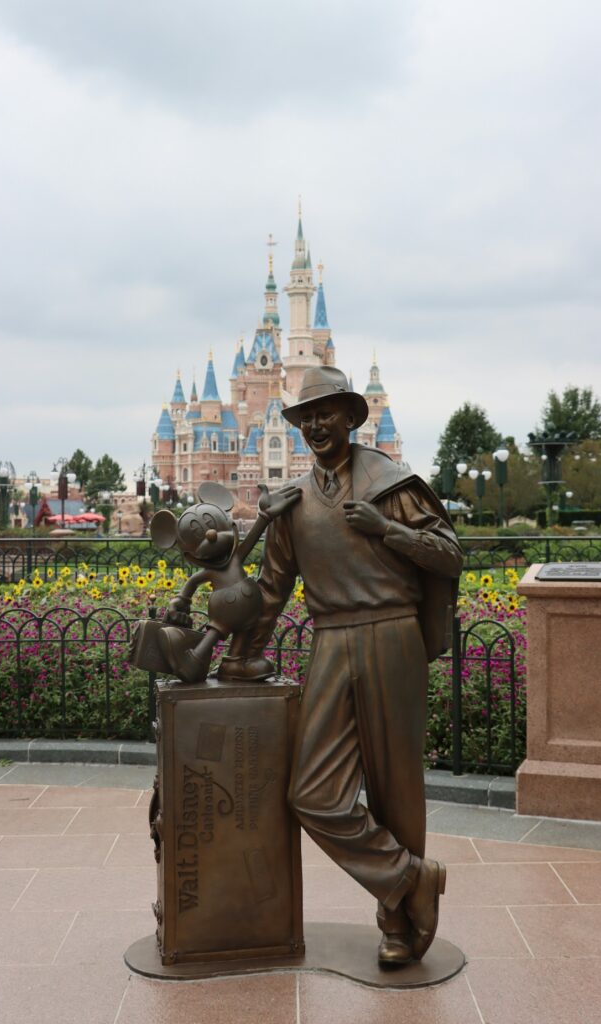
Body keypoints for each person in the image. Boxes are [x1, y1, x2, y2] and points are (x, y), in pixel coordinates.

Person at [228, 366, 463, 966]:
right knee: (311, 793)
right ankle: (410, 878)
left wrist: (389, 530)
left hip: (392, 635)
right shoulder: (292, 501)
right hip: (331, 639)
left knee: (395, 786)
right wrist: (237, 651)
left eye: (325, 413)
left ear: (352, 417)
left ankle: (396, 923)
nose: (314, 425)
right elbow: (272, 588)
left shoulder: (390, 483)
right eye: (305, 417)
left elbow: (449, 555)